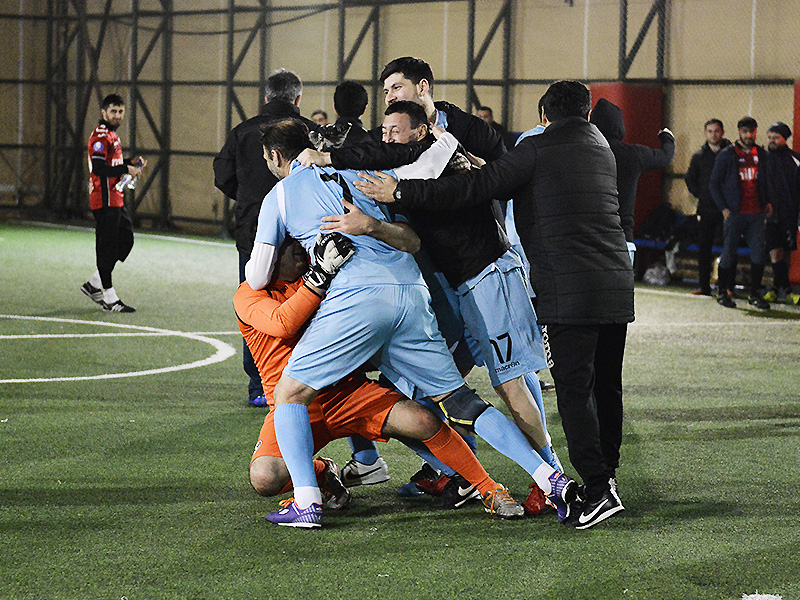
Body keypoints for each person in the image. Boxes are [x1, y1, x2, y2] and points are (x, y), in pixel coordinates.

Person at [245, 118, 577, 528]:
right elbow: (412, 239)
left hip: (358, 296)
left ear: (277, 157)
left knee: (290, 393)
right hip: (412, 291)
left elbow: (258, 277)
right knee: (460, 400)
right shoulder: (366, 176)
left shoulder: (280, 194)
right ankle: (551, 477)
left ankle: (308, 502)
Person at [355, 80, 634, 529]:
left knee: (523, 383)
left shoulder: (503, 149)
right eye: (382, 126)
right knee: (443, 384)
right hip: (511, 284)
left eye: (395, 122)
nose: (385, 135)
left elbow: (473, 187)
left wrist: (397, 194)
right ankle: (463, 471)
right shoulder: (597, 144)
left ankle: (560, 481)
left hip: (496, 278)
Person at [237, 235, 524, 526]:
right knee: (264, 477)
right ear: (267, 257)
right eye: (287, 244)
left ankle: (488, 488)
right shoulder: (248, 294)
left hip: (347, 393)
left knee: (423, 420)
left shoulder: (328, 273)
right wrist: (319, 279)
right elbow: (282, 323)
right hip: (293, 407)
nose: (299, 246)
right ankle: (323, 471)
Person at [213, 69, 315, 406]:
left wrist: (247, 197)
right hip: (303, 239)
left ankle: (259, 385)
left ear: (267, 97)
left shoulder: (243, 131)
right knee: (308, 303)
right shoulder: (312, 134)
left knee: (256, 304)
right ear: (297, 99)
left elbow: (222, 175)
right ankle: (311, 379)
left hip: (254, 231)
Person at [81, 93, 147, 313]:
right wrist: (124, 169)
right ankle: (109, 298)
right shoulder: (100, 136)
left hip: (115, 198)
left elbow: (114, 162)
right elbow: (99, 169)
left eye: (120, 111)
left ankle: (94, 283)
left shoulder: (111, 135)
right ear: (103, 112)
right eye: (113, 111)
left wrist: (130, 162)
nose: (117, 115)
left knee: (125, 239)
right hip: (104, 199)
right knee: (107, 246)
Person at [590, 98, 675, 266]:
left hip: (588, 237)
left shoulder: (582, 152)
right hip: (622, 237)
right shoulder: (632, 155)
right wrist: (667, 138)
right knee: (620, 291)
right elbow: (665, 157)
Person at [709, 116, 772, 309]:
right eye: (745, 132)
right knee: (728, 253)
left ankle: (754, 294)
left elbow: (767, 181)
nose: (749, 135)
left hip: (755, 213)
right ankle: (722, 292)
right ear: (739, 132)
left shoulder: (761, 154)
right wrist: (724, 208)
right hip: (735, 213)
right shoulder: (728, 154)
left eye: (752, 131)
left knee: (758, 254)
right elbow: (714, 183)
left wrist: (767, 202)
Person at [685, 119, 731, 296]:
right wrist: (702, 195)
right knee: (704, 248)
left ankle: (726, 288)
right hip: (706, 209)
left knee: (729, 248)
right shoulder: (699, 156)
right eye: (710, 131)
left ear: (723, 132)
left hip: (727, 209)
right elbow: (690, 179)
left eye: (717, 131)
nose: (714, 134)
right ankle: (704, 287)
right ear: (705, 133)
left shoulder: (730, 154)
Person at [763, 122, 800, 304]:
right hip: (768, 215)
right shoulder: (762, 158)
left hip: (789, 214)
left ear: (785, 139)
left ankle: (775, 290)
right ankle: (788, 291)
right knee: (775, 252)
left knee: (784, 254)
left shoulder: (795, 160)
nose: (772, 140)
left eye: (776, 137)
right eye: (770, 137)